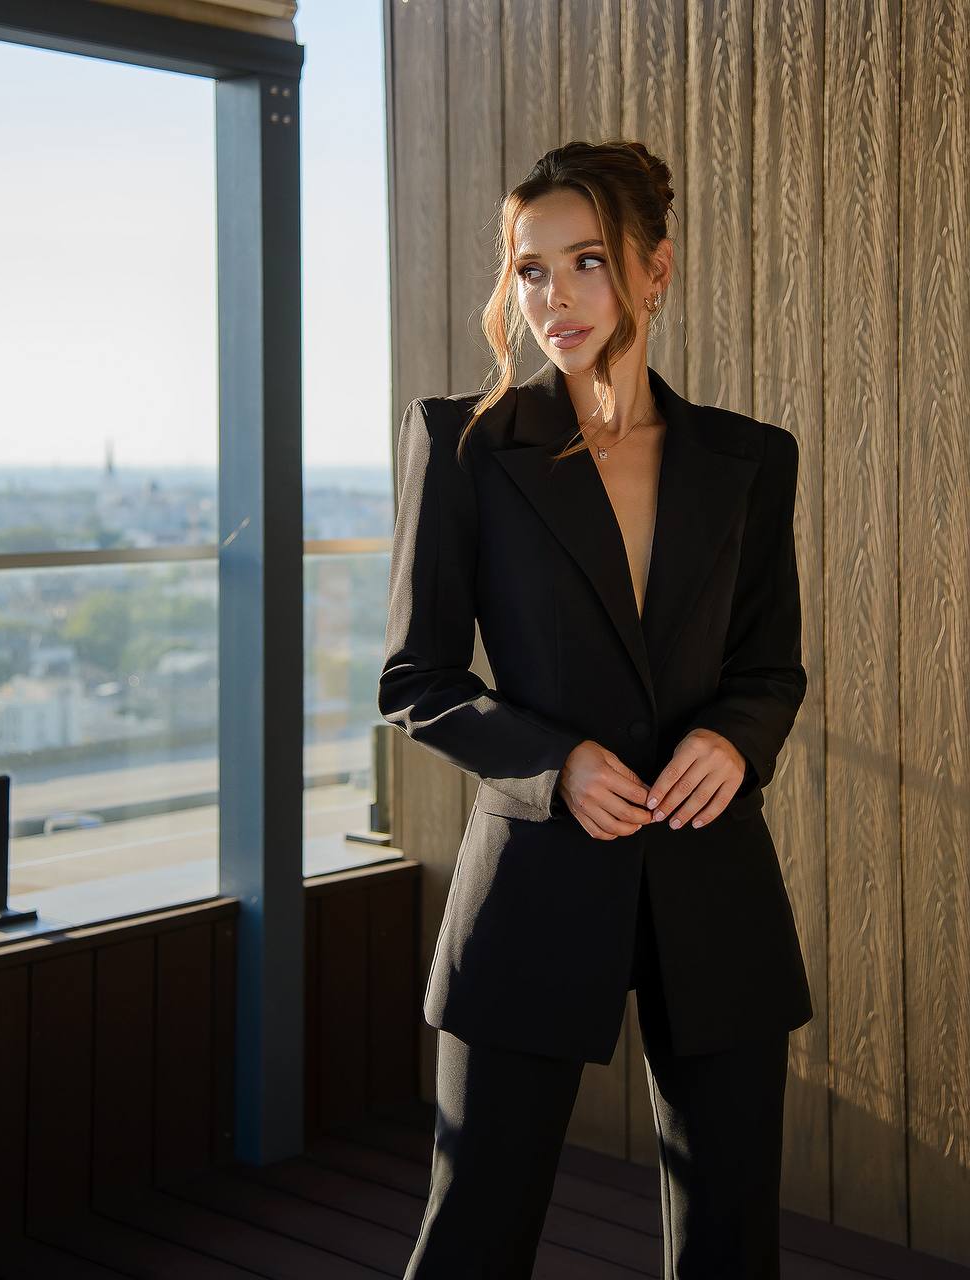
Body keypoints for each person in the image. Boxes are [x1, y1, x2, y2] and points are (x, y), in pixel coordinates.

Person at [378, 139, 813, 1279]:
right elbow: (416, 679)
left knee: (730, 1240)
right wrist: (553, 762)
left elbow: (770, 668)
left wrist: (733, 740)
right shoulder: (464, 445)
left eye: (587, 262)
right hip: (531, 882)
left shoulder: (750, 460)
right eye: (531, 269)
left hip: (711, 882)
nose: (554, 298)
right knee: (474, 1231)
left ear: (653, 270)